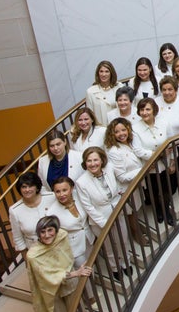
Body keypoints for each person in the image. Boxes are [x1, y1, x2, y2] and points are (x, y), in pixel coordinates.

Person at [26, 215, 92, 312]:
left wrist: (73, 272)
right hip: (50, 289)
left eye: (50, 230)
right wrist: (76, 273)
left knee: (77, 311)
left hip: (69, 283)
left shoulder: (62, 236)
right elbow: (46, 275)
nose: (46, 235)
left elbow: (67, 258)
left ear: (56, 230)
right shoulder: (33, 254)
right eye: (42, 232)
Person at [75, 147, 131, 280]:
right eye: (89, 161)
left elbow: (118, 184)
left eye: (95, 160)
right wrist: (103, 223)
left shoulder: (110, 169)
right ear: (85, 163)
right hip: (99, 219)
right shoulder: (81, 182)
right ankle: (115, 267)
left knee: (123, 239)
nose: (93, 163)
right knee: (109, 245)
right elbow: (88, 207)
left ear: (101, 160)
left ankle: (126, 262)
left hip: (117, 211)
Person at [104, 118, 152, 245]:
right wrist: (143, 170)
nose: (121, 134)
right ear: (112, 134)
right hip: (126, 188)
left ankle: (137, 227)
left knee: (136, 209)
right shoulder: (114, 151)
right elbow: (122, 176)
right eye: (117, 132)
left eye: (123, 130)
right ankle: (137, 234)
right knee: (130, 212)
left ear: (128, 129)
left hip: (136, 185)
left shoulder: (131, 143)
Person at [132, 98, 176, 225]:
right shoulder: (135, 129)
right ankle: (158, 210)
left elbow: (172, 142)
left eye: (147, 109)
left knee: (166, 188)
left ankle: (167, 210)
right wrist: (158, 154)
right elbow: (138, 150)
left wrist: (172, 161)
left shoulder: (164, 123)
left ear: (154, 110)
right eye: (142, 109)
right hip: (150, 167)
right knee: (154, 191)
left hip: (166, 164)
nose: (145, 112)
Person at [46, 176, 94, 269]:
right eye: (58, 191)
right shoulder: (51, 212)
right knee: (83, 272)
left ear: (71, 189)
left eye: (64, 190)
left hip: (89, 238)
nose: (61, 194)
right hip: (74, 247)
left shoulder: (79, 195)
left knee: (92, 264)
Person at [9, 171, 57, 259]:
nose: (27, 190)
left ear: (37, 187)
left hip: (58, 246)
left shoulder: (51, 197)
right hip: (36, 253)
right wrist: (26, 259)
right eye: (24, 187)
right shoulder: (15, 210)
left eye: (30, 186)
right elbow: (18, 238)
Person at [85, 60, 121, 126]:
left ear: (111, 73)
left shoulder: (119, 87)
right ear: (98, 73)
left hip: (118, 126)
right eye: (101, 71)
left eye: (107, 71)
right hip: (101, 128)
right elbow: (89, 114)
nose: (103, 74)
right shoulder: (90, 92)